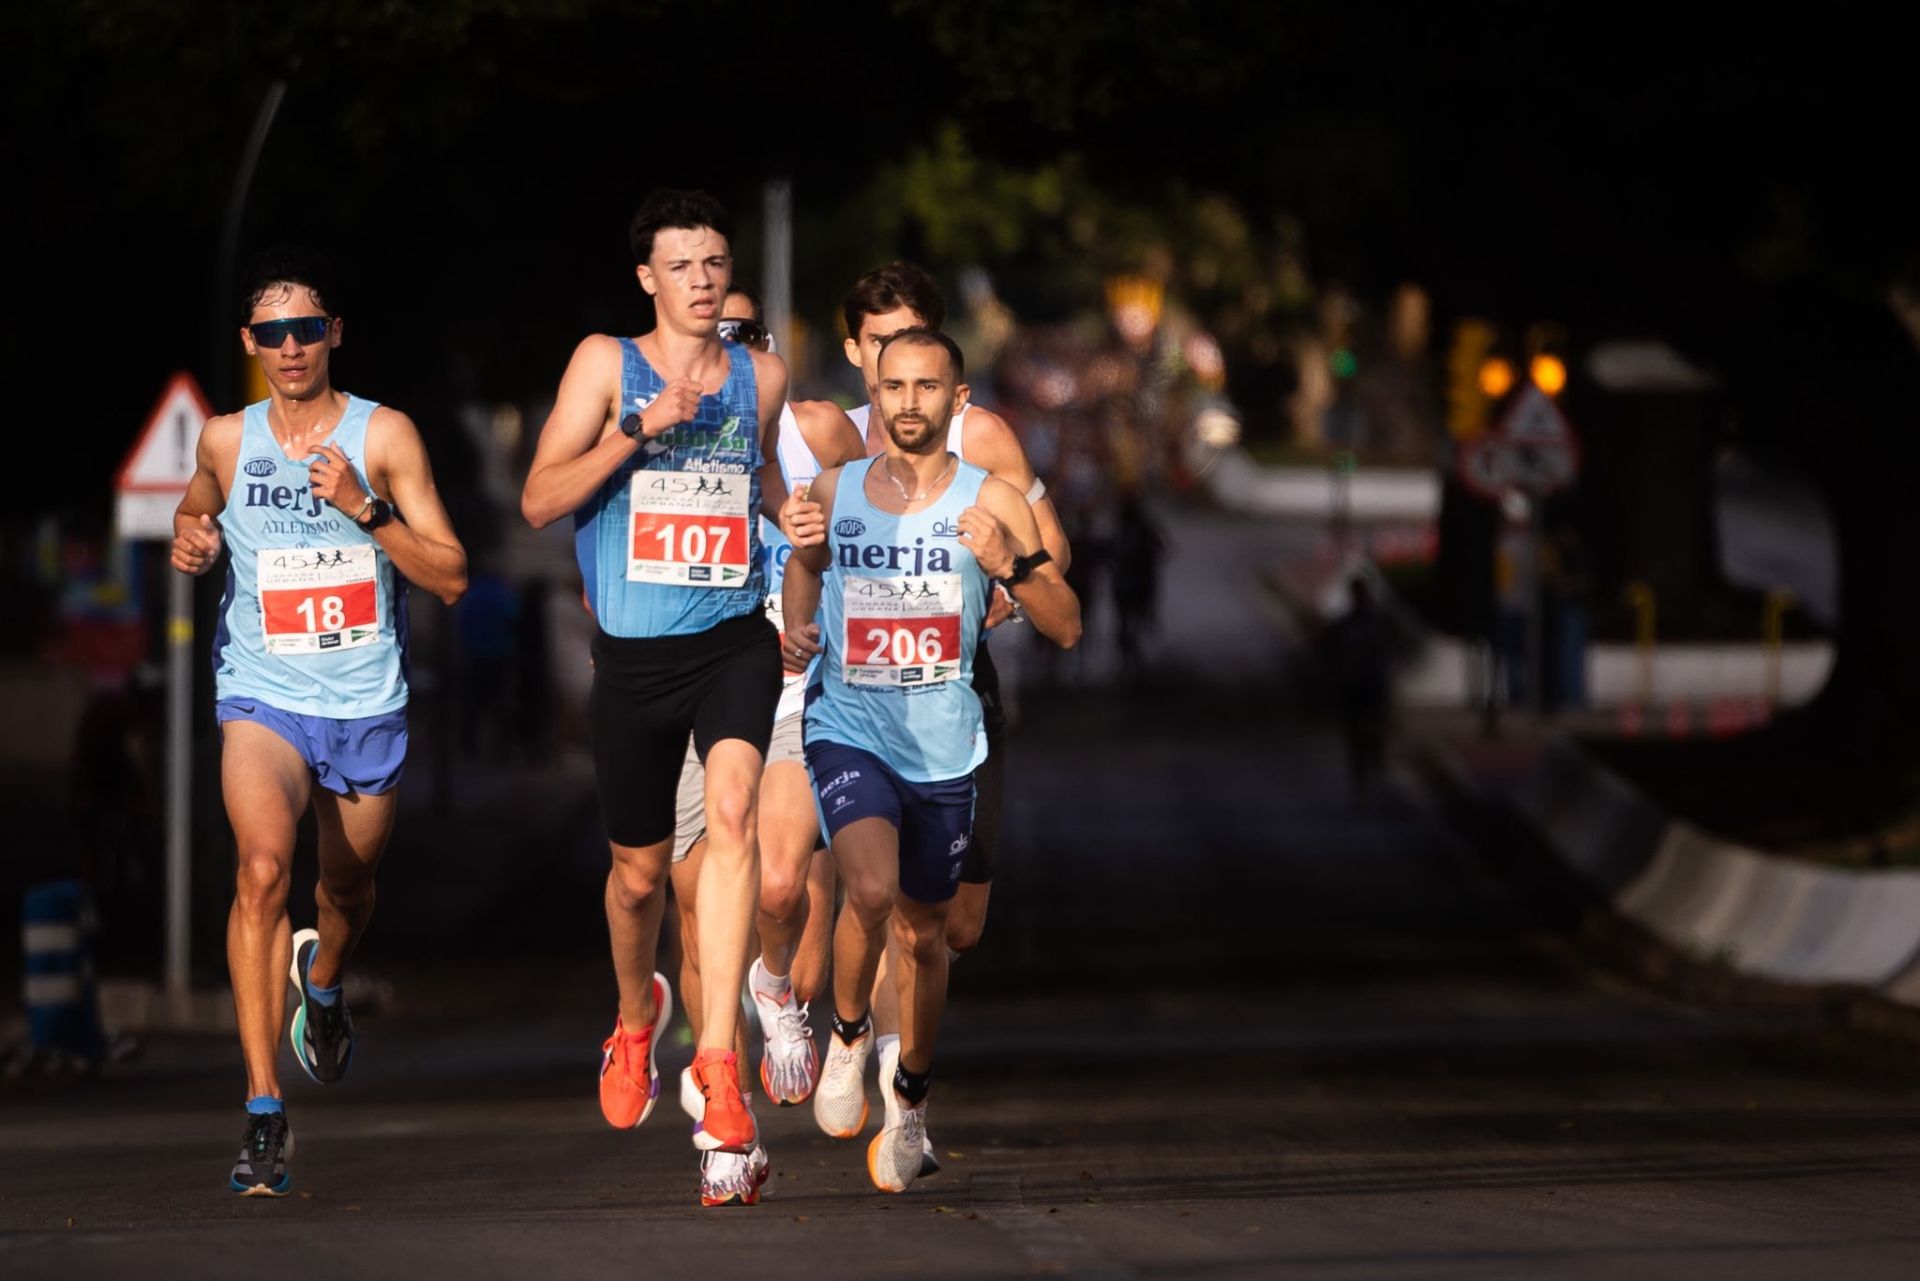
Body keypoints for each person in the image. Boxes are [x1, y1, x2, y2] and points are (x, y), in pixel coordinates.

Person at [170, 247, 468, 1196]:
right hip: (262, 692)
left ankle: (326, 981)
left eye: (306, 329)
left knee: (346, 888)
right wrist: (191, 533)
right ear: (249, 343)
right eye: (273, 333)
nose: (290, 346)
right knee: (262, 870)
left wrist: (364, 508)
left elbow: (451, 575)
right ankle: (264, 1110)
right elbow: (197, 504)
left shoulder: (386, 435)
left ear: (333, 334)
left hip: (364, 700)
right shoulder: (227, 438)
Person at [520, 191, 787, 1193]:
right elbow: (539, 498)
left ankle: (716, 1062)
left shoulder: (762, 375)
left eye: (715, 263)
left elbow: (762, 489)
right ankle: (636, 1019)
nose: (703, 281)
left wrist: (798, 523)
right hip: (633, 660)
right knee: (637, 878)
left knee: (734, 816)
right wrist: (638, 427)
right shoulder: (605, 363)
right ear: (648, 278)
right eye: (682, 266)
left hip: (734, 642)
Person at [781, 329, 1080, 1191]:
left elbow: (1065, 624)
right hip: (850, 724)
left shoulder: (995, 498)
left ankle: (910, 1093)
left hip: (946, 741)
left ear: (959, 400)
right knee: (869, 889)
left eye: (927, 387)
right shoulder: (835, 489)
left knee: (924, 930)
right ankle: (847, 1035)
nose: (908, 402)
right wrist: (799, 621)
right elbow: (806, 572)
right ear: (874, 395)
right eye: (894, 386)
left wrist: (1012, 563)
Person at [664, 284, 864, 1205]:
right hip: (685, 690)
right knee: (698, 913)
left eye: (743, 332)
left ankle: (777, 989)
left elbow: (875, 535)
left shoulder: (814, 430)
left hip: (788, 692)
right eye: (710, 328)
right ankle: (726, 1125)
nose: (724, 342)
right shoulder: (653, 431)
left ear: (770, 348)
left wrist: (826, 620)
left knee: (779, 887)